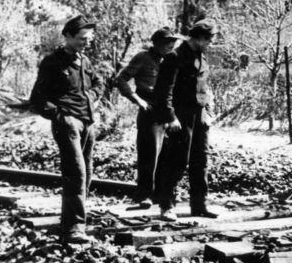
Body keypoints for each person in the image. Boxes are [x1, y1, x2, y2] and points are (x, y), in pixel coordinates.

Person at [29, 15, 101, 245]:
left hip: (87, 122)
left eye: (89, 39)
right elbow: (37, 98)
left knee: (86, 172)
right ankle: (73, 228)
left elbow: (99, 83)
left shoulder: (85, 61)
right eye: (82, 38)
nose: (86, 42)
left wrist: (91, 98)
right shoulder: (52, 62)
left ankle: (73, 220)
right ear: (68, 37)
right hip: (68, 124)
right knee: (76, 172)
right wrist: (62, 117)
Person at [152, 19, 219, 222]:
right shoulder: (175, 57)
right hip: (180, 116)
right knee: (177, 161)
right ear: (199, 38)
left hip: (199, 116)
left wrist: (207, 111)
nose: (210, 44)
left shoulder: (201, 57)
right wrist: (170, 117)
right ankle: (167, 206)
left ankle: (199, 205)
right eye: (209, 40)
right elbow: (164, 91)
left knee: (201, 161)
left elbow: (204, 88)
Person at [115, 27, 183, 208]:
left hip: (169, 112)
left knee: (168, 155)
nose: (171, 45)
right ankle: (143, 195)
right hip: (150, 112)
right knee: (149, 154)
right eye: (167, 42)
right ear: (156, 44)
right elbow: (120, 79)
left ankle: (162, 195)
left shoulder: (172, 60)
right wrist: (137, 100)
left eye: (173, 42)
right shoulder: (143, 58)